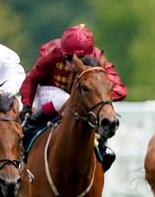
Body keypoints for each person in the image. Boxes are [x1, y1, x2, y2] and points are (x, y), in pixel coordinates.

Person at [19, 24, 127, 171]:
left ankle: (101, 149)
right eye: (68, 58)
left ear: (89, 55)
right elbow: (31, 79)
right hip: (49, 98)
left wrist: (97, 96)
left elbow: (120, 90)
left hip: (80, 106)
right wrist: (26, 106)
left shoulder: (98, 61)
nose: (73, 63)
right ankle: (29, 125)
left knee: (90, 109)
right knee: (63, 99)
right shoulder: (54, 53)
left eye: (80, 58)